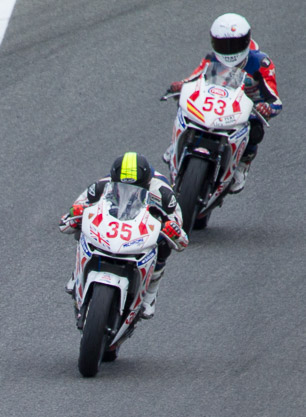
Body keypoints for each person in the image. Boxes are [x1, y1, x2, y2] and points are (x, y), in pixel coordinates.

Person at [59, 152, 188, 319]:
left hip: (144, 226)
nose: (128, 192)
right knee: (83, 223)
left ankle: (150, 294)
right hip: (113, 223)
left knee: (164, 243)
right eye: (121, 187)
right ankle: (76, 274)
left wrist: (171, 228)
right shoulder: (101, 186)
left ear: (147, 183)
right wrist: (75, 214)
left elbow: (179, 230)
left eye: (136, 188)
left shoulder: (163, 193)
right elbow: (74, 210)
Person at [165, 14, 282, 193]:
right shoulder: (211, 58)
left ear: (246, 41)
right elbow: (193, 79)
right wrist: (180, 86)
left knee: (256, 129)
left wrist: (266, 107)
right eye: (223, 45)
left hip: (245, 107)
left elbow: (275, 99)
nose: (229, 51)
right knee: (184, 103)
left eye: (235, 45)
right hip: (214, 100)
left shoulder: (261, 63)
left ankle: (243, 164)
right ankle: (175, 145)